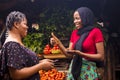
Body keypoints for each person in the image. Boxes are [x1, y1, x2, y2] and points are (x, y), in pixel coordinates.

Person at [51, 7, 104, 80]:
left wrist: (81, 54)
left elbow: (101, 56)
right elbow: (69, 55)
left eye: (77, 18)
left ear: (85, 18)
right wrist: (58, 43)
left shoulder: (96, 32)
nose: (75, 21)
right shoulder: (74, 33)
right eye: (74, 19)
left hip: (88, 71)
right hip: (74, 69)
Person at [0, 11, 54, 80]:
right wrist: (41, 66)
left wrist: (39, 62)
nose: (27, 27)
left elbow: (22, 64)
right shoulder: (12, 45)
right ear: (16, 24)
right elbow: (16, 75)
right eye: (25, 24)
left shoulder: (15, 44)